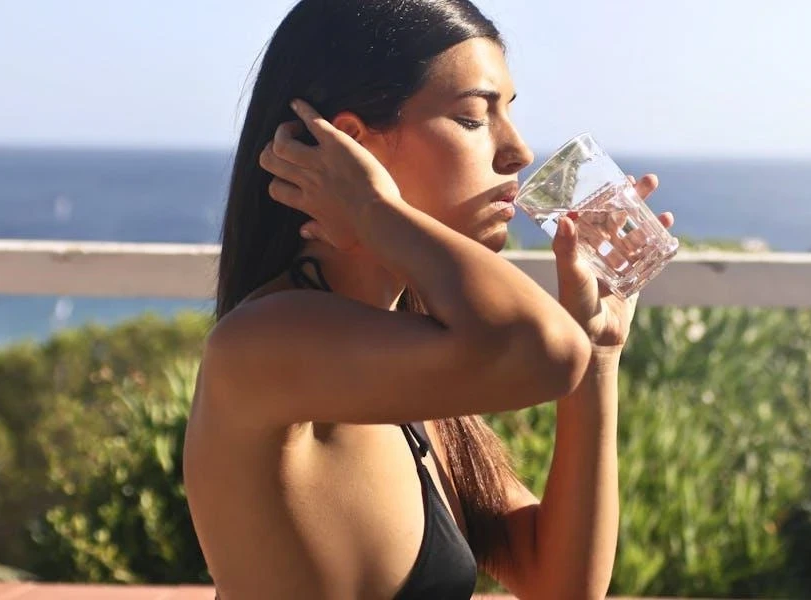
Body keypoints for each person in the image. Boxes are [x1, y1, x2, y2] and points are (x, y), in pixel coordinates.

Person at [183, 1, 674, 598]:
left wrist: (598, 349)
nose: (518, 151)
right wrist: (373, 210)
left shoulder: (408, 354)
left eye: (508, 115)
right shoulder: (260, 346)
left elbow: (560, 584)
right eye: (473, 118)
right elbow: (543, 351)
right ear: (350, 146)